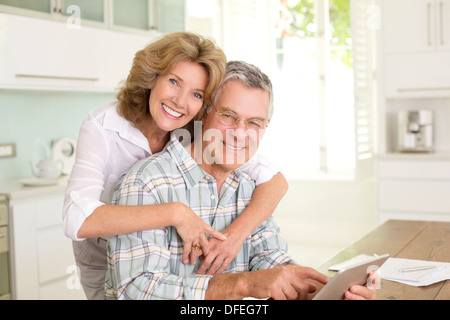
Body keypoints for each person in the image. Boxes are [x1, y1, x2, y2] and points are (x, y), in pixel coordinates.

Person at [104, 61, 376, 300]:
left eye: (254, 123)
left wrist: (328, 293)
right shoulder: (146, 182)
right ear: (203, 113)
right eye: (229, 116)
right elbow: (135, 291)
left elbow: (271, 262)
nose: (240, 134)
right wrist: (244, 284)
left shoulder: (249, 186)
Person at [63, 32, 288, 300]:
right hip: (104, 260)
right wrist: (177, 213)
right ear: (151, 77)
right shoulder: (103, 129)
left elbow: (273, 178)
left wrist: (237, 234)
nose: (181, 102)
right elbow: (76, 219)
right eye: (173, 81)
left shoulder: (196, 127)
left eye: (196, 94)